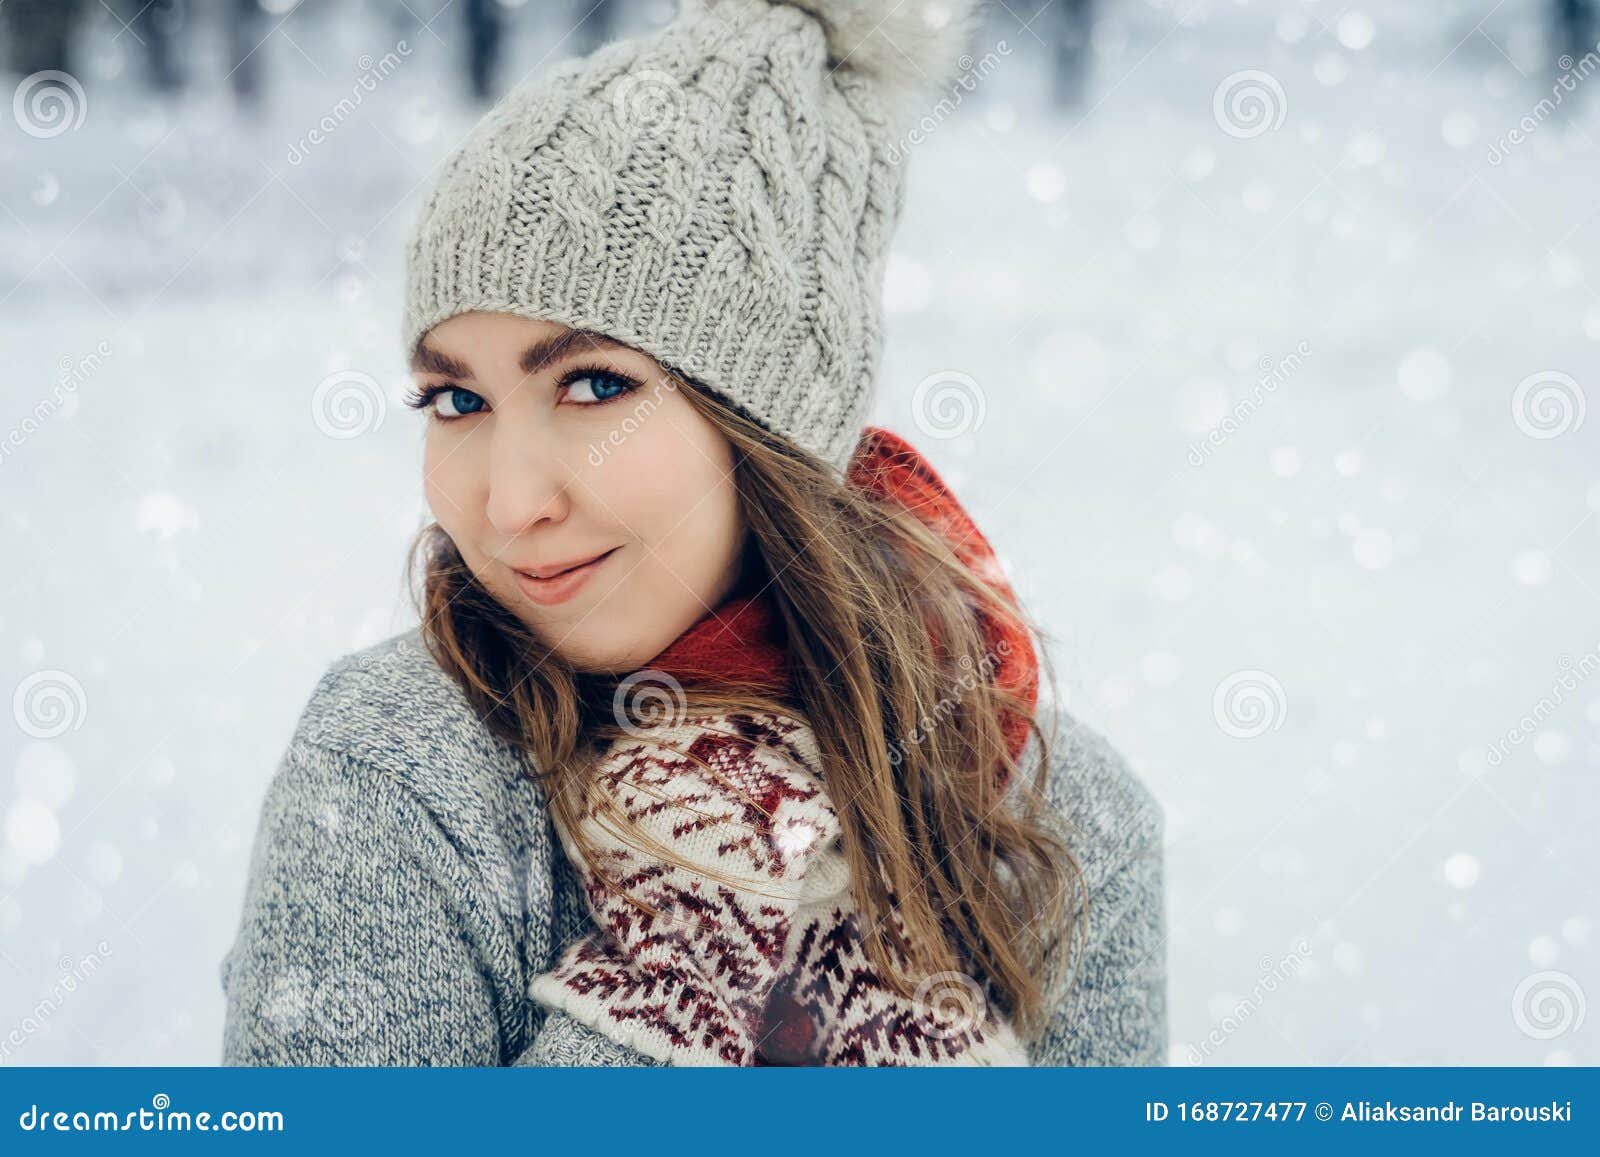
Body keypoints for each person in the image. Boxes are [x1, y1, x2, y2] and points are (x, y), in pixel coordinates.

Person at [219, 0, 1166, 1067]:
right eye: (456, 401)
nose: (506, 502)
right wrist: (676, 988)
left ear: (769, 424)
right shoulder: (402, 769)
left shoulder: (1056, 818)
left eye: (592, 384)